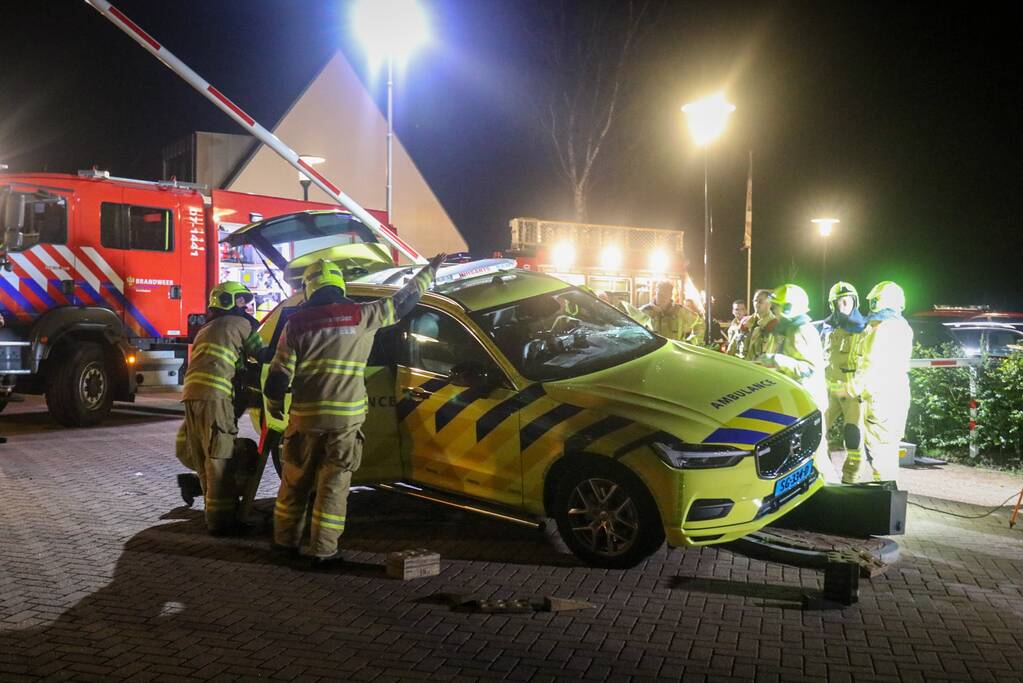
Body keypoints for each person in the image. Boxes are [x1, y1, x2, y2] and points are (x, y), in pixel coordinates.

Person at [266, 254, 445, 567]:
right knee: (333, 488)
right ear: (339, 285)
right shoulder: (362, 315)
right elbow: (404, 302)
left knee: (294, 483)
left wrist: (274, 407)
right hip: (344, 422)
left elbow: (278, 377)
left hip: (305, 420)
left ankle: (284, 544)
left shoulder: (296, 322)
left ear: (310, 289)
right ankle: (323, 552)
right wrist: (428, 271)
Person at [180, 281, 263, 534]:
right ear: (226, 300)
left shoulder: (207, 328)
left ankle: (212, 513)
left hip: (191, 397)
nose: (245, 306)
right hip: (215, 397)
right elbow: (263, 355)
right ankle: (221, 523)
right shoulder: (242, 324)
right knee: (220, 458)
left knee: (205, 457)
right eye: (240, 300)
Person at [757, 284, 837, 483]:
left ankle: (831, 488)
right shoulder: (788, 329)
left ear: (789, 307)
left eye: (777, 306)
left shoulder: (801, 330)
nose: (773, 310)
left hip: (809, 402)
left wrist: (777, 360)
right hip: (797, 402)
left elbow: (808, 368)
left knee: (816, 452)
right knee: (801, 454)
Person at [844, 281, 914, 484]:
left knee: (881, 452)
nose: (871, 305)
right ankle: (888, 495)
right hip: (896, 393)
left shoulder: (882, 328)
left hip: (880, 397)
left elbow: (871, 364)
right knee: (888, 451)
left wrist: (850, 389)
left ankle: (884, 497)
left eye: (874, 301)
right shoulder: (903, 326)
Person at [821, 282, 869, 483]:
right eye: (839, 302)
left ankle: (851, 477)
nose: (843, 305)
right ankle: (822, 471)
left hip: (852, 391)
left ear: (854, 301)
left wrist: (859, 386)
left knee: (853, 436)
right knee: (817, 430)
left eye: (847, 301)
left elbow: (870, 362)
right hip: (829, 387)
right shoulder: (827, 327)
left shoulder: (865, 328)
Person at [640, 280, 705, 344]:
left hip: (675, 352)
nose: (662, 298)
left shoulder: (680, 311)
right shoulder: (644, 312)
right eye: (660, 294)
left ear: (670, 295)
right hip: (653, 353)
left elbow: (700, 324)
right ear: (655, 293)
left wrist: (691, 342)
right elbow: (631, 329)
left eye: (666, 295)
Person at [728, 289, 774, 359]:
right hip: (740, 366)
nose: (756, 304)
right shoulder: (745, 322)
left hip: (758, 369)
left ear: (769, 304)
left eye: (760, 301)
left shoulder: (774, 325)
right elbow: (732, 348)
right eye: (755, 301)